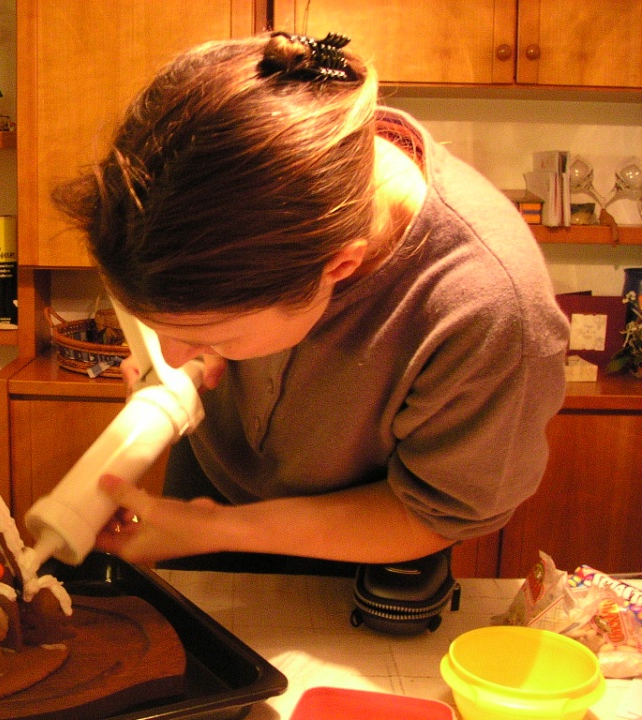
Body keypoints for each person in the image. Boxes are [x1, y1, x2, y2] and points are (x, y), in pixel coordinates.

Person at [52, 31, 569, 572]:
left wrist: (219, 530)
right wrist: (172, 338)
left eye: (215, 334)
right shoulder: (229, 182)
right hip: (213, 480)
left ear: (339, 267)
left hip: (369, 528)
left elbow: (434, 512)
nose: (171, 358)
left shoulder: (491, 309)